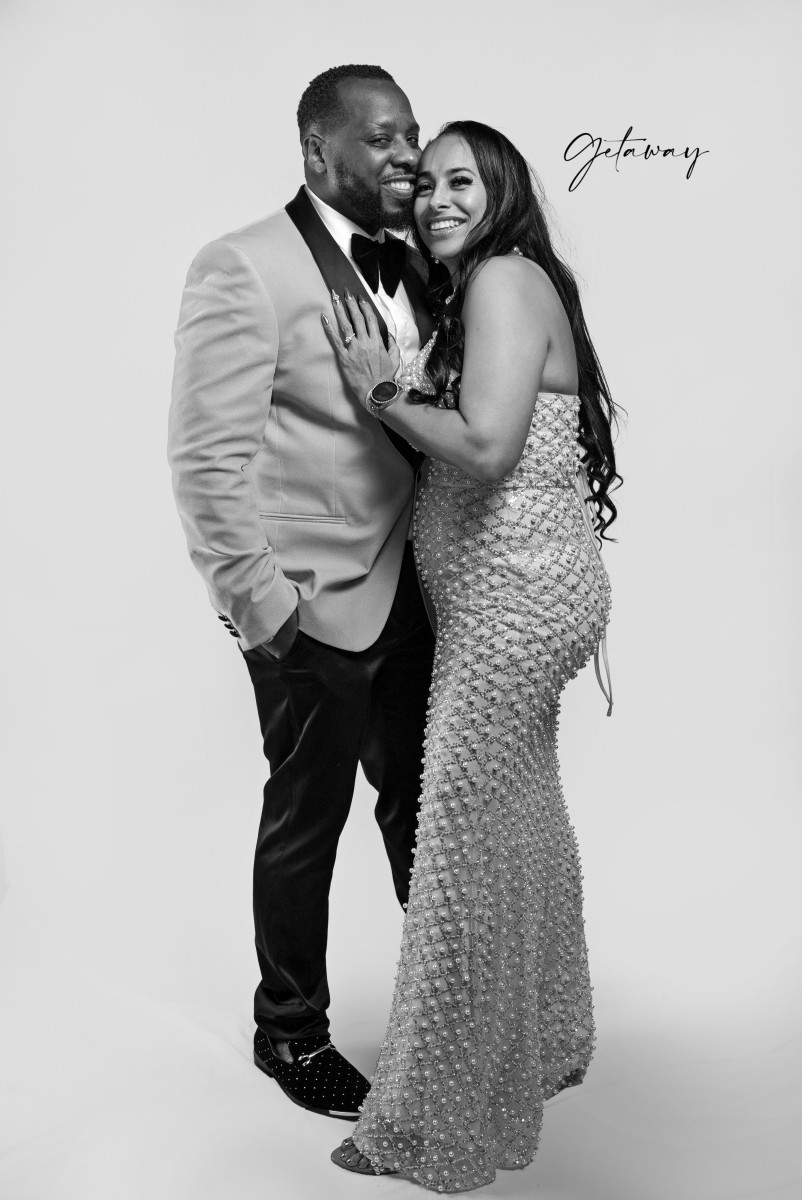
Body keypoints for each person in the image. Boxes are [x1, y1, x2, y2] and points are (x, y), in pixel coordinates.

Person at [323, 121, 620, 1190]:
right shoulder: (490, 287)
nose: (437, 199)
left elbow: (488, 449)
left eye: (463, 181)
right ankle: (547, 1036)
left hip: (514, 602)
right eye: (427, 184)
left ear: (503, 196)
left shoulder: (501, 277)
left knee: (458, 845)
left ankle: (439, 1119)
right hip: (513, 597)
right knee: (519, 819)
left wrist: (382, 392)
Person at [167, 65, 436, 1121]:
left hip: (416, 587)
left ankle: (451, 1009)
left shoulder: (422, 259)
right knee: (307, 819)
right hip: (308, 604)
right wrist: (267, 614)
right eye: (382, 137)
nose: (406, 152)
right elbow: (206, 463)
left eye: (412, 132)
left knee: (429, 813)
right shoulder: (243, 265)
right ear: (319, 150)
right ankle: (290, 1034)